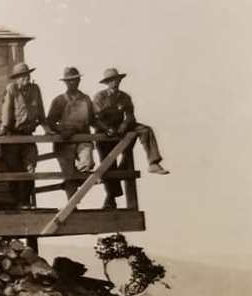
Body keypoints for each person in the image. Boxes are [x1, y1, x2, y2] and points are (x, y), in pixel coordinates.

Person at [94, 67, 170, 209]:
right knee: (108, 166)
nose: (114, 83)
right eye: (111, 81)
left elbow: (130, 115)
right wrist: (107, 129)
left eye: (116, 80)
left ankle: (153, 163)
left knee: (145, 130)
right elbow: (96, 118)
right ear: (106, 83)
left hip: (121, 129)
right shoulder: (100, 97)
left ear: (119, 80)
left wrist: (124, 124)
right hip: (105, 133)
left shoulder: (125, 97)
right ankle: (111, 198)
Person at [0, 62, 50, 209]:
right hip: (12, 135)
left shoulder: (35, 89)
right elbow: (7, 111)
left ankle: (25, 201)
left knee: (30, 166)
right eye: (21, 76)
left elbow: (41, 111)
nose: (25, 78)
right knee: (14, 169)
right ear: (16, 78)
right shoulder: (12, 89)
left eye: (26, 75)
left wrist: (46, 127)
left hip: (28, 135)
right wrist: (4, 129)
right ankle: (17, 202)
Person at [46, 66, 100, 200]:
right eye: (69, 80)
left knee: (87, 163)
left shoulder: (86, 99)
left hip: (83, 139)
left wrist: (108, 130)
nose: (72, 83)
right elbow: (50, 122)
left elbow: (93, 120)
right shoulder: (59, 100)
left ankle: (80, 178)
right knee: (69, 175)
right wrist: (62, 131)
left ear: (79, 81)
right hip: (64, 142)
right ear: (65, 82)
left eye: (75, 80)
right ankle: (73, 205)